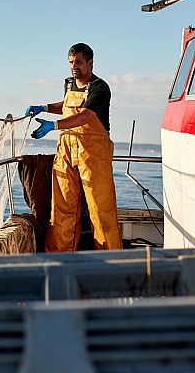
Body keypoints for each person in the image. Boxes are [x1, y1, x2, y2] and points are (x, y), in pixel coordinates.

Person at [24, 43, 122, 251]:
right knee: (62, 206)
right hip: (66, 150)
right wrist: (44, 108)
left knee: (100, 207)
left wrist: (54, 126)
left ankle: (111, 258)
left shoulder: (99, 87)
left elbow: (85, 115)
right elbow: (67, 105)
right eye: (70, 62)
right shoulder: (69, 83)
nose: (74, 66)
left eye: (78, 62)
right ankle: (59, 256)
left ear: (90, 62)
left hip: (93, 153)